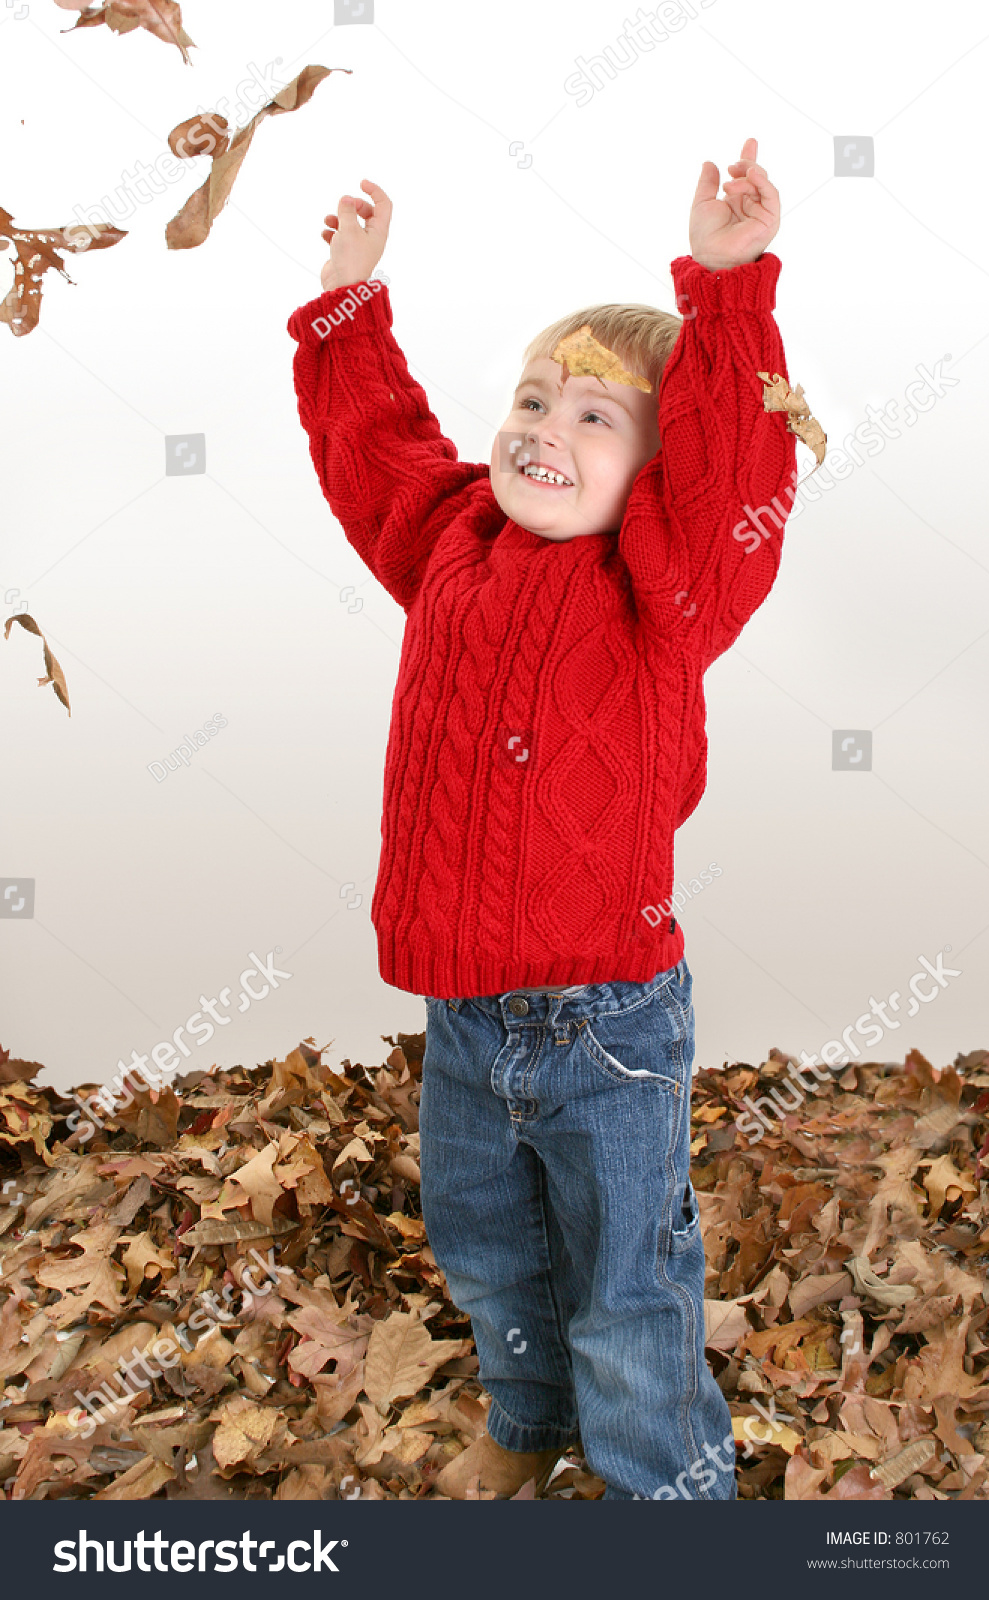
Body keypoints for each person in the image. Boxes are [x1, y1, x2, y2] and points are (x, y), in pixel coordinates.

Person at [287, 137, 796, 1500]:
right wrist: (347, 307)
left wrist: (729, 288)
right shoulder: (448, 536)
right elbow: (377, 452)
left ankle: (661, 1489)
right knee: (487, 1244)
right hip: (464, 1007)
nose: (541, 428)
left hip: (607, 1023)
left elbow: (736, 479)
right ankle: (525, 1418)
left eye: (594, 417)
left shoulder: (665, 590)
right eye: (531, 396)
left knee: (625, 1275)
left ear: (655, 470)